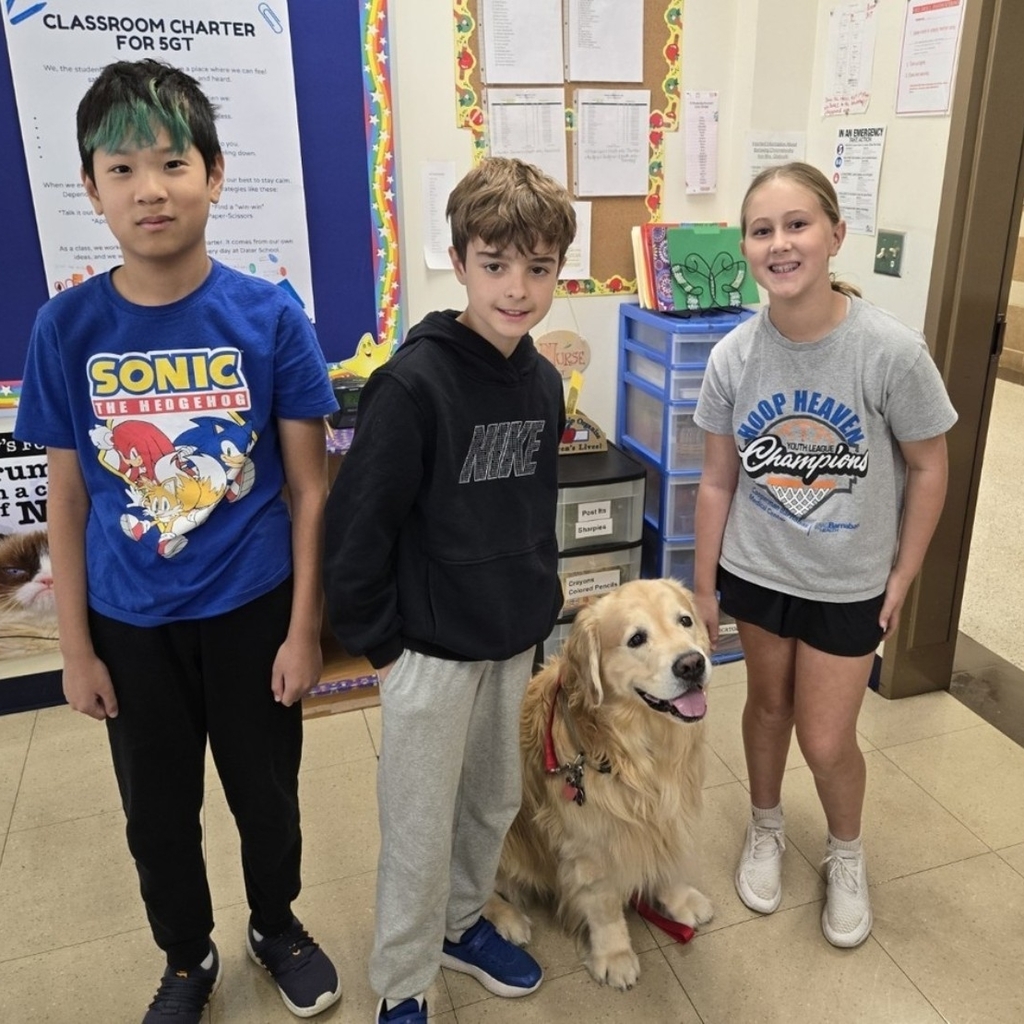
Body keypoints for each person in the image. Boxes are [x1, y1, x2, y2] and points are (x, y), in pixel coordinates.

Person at [14, 60, 342, 1021]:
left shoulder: (269, 316)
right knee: (156, 817)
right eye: (121, 169)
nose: (149, 189)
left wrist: (304, 629)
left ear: (215, 173)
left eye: (171, 163)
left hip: (253, 610)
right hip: (130, 625)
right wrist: (75, 648)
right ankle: (187, 956)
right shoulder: (66, 328)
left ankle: (275, 924)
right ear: (90, 188)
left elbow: (310, 491)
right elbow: (65, 503)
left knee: (267, 798)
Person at [323, 157, 576, 1024]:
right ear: (459, 259)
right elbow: (358, 529)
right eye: (496, 264)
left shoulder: (543, 382)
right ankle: (401, 974)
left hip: (511, 639)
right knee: (419, 825)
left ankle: (461, 924)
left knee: (492, 802)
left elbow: (531, 509)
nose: (517, 287)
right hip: (427, 652)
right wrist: (383, 649)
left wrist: (540, 608)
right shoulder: (413, 384)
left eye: (538, 268)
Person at [693, 161, 957, 948]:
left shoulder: (890, 353)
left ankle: (846, 852)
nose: (781, 243)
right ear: (744, 246)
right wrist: (702, 588)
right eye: (763, 229)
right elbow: (715, 481)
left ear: (836, 235)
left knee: (829, 738)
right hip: (757, 570)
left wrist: (904, 574)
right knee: (766, 707)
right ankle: (766, 826)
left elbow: (930, 464)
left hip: (848, 582)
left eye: (798, 224)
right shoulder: (733, 358)